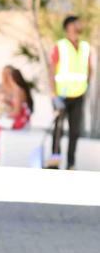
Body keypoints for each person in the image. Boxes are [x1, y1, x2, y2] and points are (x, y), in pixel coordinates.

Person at [47, 15, 92, 169]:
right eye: (76, 23)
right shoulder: (60, 46)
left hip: (78, 95)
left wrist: (85, 86)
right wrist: (53, 94)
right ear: (69, 26)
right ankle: (54, 162)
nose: (80, 25)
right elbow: (52, 70)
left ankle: (71, 164)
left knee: (75, 132)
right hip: (62, 96)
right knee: (58, 130)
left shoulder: (85, 47)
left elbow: (89, 69)